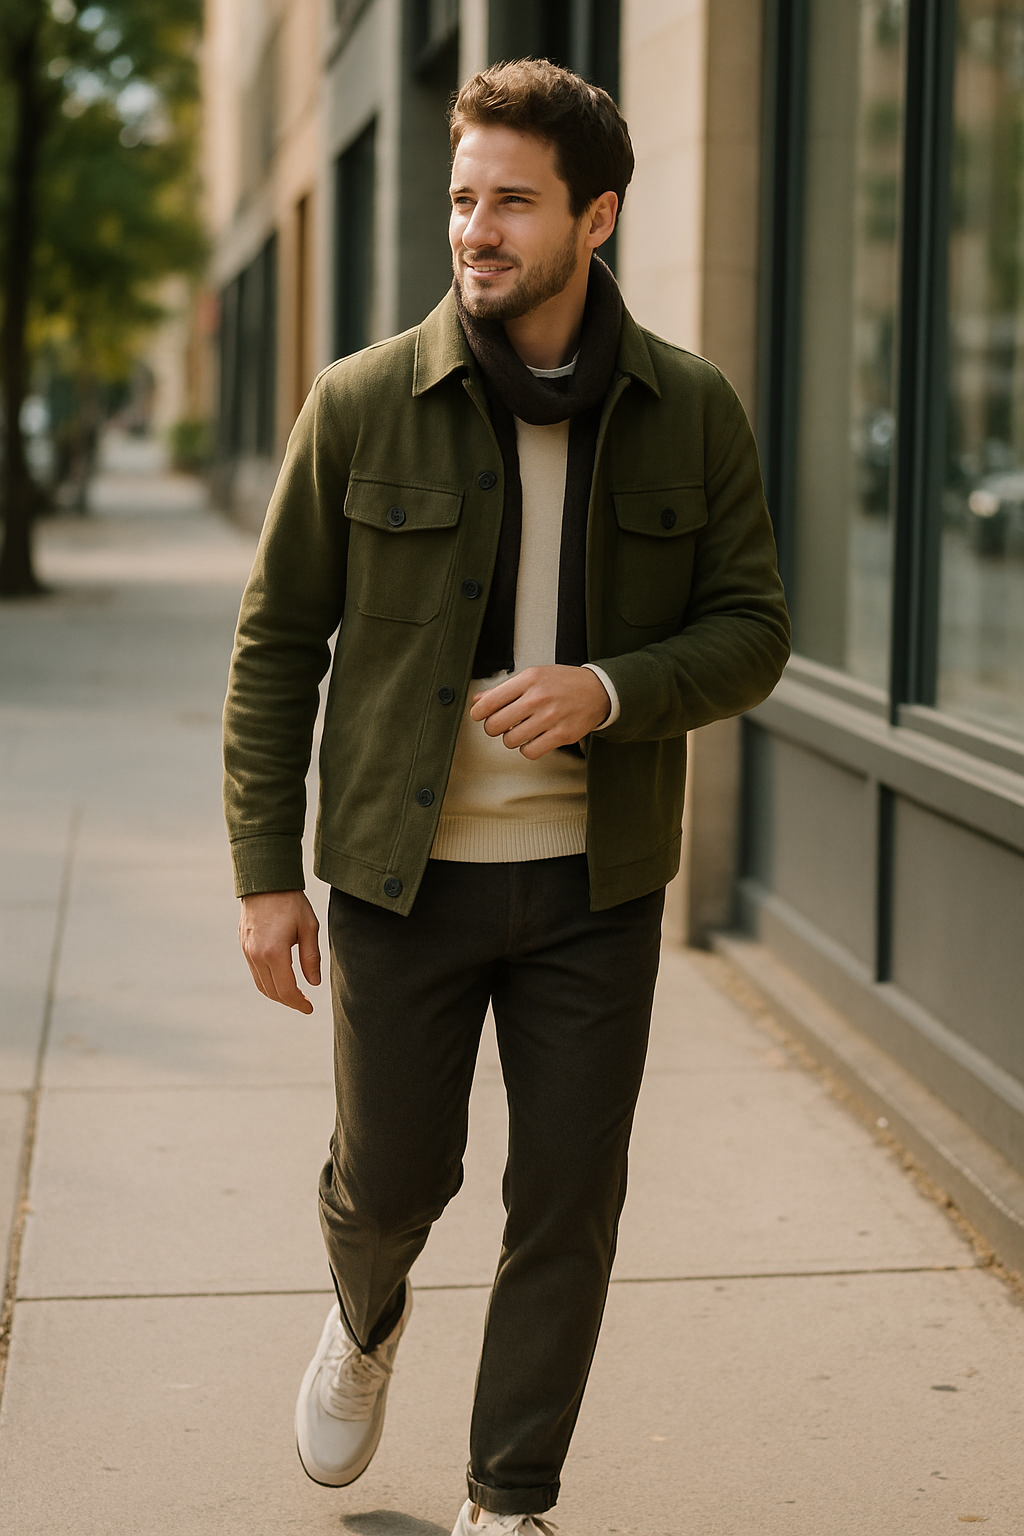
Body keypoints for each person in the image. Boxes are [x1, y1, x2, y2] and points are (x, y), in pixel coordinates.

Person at [223, 58, 790, 1536]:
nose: (475, 228)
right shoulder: (359, 404)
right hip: (402, 879)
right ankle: (363, 1316)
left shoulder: (693, 412)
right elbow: (277, 643)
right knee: (394, 1178)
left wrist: (609, 690)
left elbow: (754, 629)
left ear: (595, 218)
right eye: (462, 196)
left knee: (566, 1205)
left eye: (511, 202)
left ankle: (510, 1498)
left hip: (595, 891)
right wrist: (264, 874)